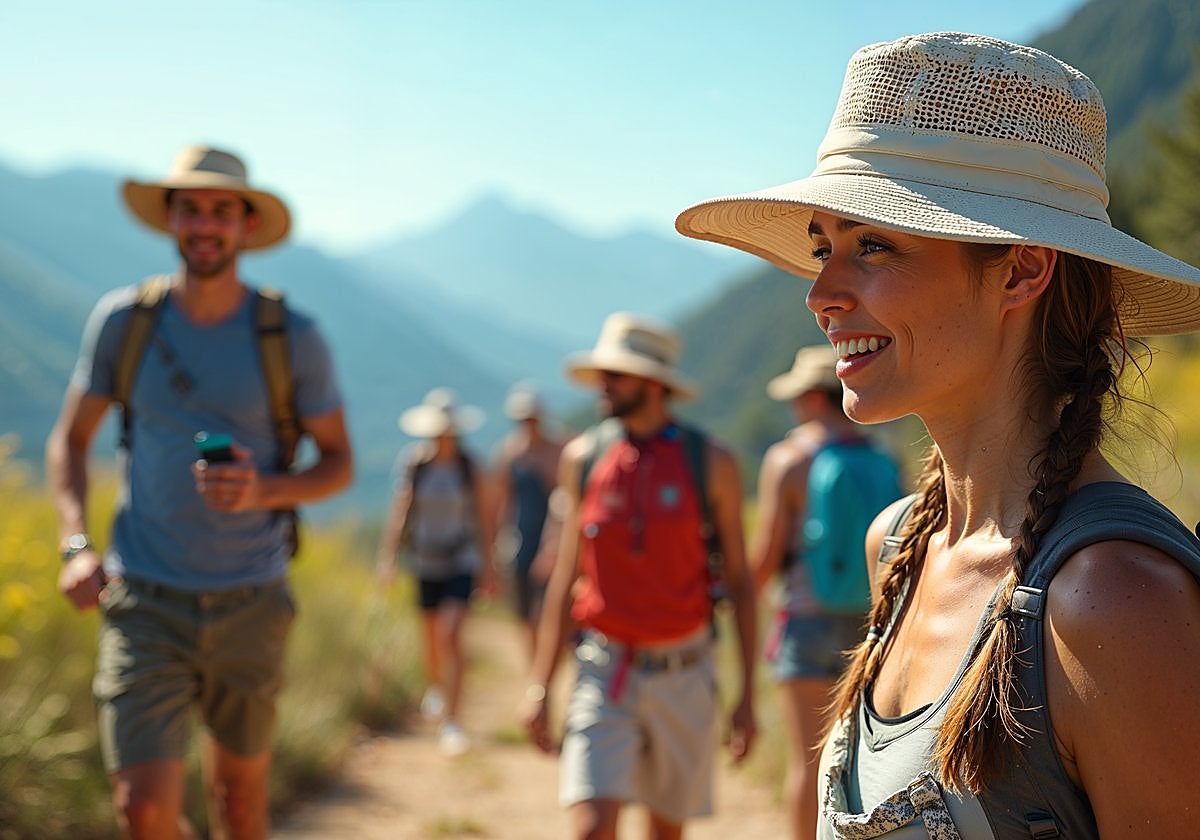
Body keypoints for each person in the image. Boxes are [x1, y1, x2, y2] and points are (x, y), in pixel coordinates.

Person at [675, 31, 1200, 839]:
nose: (820, 293)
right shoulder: (899, 545)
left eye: (873, 245)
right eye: (823, 247)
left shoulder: (1111, 601)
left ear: (1023, 271)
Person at [46, 144, 353, 840]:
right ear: (171, 220)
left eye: (222, 211)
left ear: (246, 226)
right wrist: (74, 544)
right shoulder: (126, 323)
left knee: (239, 805)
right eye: (192, 209)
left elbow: (338, 464)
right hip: (144, 599)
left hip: (253, 601)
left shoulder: (291, 337)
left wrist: (264, 489)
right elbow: (69, 440)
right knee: (144, 808)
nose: (206, 225)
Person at [522, 312, 758, 840]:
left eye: (617, 375)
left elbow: (740, 581)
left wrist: (745, 697)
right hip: (603, 668)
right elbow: (566, 578)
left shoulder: (710, 462)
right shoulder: (582, 458)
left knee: (664, 833)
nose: (603, 385)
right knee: (591, 827)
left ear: (654, 384)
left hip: (685, 672)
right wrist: (541, 685)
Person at [750, 344, 900, 840]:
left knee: (808, 763)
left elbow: (768, 554)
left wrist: (738, 600)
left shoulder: (789, 460)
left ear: (814, 399)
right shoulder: (883, 458)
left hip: (806, 620)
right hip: (873, 625)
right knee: (860, 763)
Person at [377, 386, 496, 757]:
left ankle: (452, 720)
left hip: (461, 559)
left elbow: (484, 519)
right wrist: (389, 558)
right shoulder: (415, 464)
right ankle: (435, 686)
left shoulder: (469, 467)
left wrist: (489, 568)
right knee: (430, 638)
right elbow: (401, 512)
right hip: (426, 561)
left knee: (452, 633)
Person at [490, 382, 564, 660]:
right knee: (525, 615)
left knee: (549, 612)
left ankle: (548, 669)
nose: (528, 424)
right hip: (521, 543)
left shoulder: (556, 453)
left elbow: (564, 503)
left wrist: (554, 546)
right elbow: (502, 502)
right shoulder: (509, 454)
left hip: (551, 546)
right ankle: (535, 670)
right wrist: (496, 545)